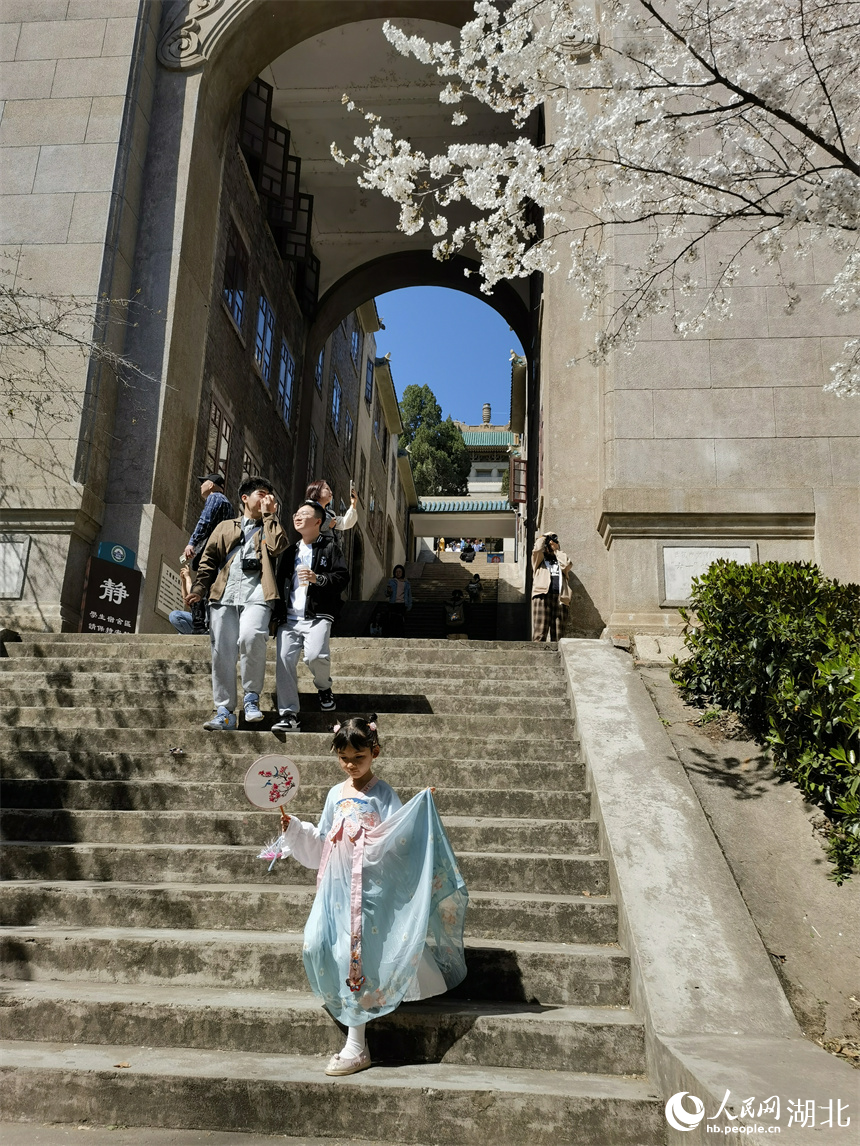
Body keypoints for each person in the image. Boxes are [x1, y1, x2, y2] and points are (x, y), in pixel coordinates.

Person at [258, 715, 468, 1076]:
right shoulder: (334, 794)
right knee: (315, 943)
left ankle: (356, 1045)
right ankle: (347, 1013)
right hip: (335, 888)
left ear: (375, 753)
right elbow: (323, 840)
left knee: (353, 957)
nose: (351, 765)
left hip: (370, 890)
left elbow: (399, 836)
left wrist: (419, 809)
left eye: (359, 757)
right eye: (344, 758)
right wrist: (296, 829)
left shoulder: (382, 794)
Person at [187, 477, 287, 730]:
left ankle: (251, 698)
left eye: (269, 496)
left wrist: (270, 516)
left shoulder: (271, 525)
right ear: (245, 498)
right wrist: (199, 588)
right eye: (261, 494)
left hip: (258, 594)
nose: (266, 499)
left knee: (252, 637)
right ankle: (225, 711)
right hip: (224, 595)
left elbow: (277, 547)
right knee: (222, 650)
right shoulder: (224, 527)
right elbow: (208, 560)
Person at [271, 500, 349, 733]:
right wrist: (277, 614)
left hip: (318, 614)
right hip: (289, 618)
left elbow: (342, 577)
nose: (297, 516)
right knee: (284, 662)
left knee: (316, 656)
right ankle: (289, 715)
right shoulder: (290, 552)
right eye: (296, 513)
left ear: (317, 521)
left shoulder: (330, 548)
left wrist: (319, 579)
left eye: (304, 513)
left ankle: (324, 687)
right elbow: (280, 583)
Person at [182, 473, 235, 634]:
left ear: (211, 485)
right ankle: (210, 625)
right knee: (213, 589)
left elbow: (205, 521)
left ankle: (199, 626)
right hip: (224, 555)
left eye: (203, 482)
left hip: (211, 552)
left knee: (201, 585)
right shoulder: (228, 505)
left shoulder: (215, 497)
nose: (201, 486)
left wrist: (192, 542)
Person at [531, 531, 573, 642]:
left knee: (559, 635)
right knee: (540, 633)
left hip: (560, 598)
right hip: (542, 595)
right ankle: (538, 652)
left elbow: (567, 564)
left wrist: (556, 550)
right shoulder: (539, 561)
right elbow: (537, 550)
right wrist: (545, 536)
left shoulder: (559, 560)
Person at [384, 564, 412, 636]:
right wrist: (388, 591)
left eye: (400, 572)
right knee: (392, 620)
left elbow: (409, 595)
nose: (398, 573)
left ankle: (400, 635)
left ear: (402, 573)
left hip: (402, 603)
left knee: (400, 621)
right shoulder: (391, 581)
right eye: (396, 572)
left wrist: (409, 605)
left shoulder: (406, 583)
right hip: (393, 603)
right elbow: (386, 594)